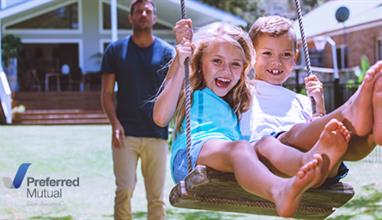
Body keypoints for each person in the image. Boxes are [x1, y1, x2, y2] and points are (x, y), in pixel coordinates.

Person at [153, 19, 350, 217]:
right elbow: (161, 118)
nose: (226, 70)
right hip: (190, 157)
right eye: (217, 61)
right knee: (242, 148)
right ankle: (279, 190)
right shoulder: (193, 89)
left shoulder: (238, 97)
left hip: (227, 156)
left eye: (235, 64)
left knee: (267, 143)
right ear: (199, 61)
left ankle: (308, 163)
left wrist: (318, 108)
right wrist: (180, 60)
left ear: (244, 68)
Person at [240, 15, 382, 184]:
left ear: (295, 57)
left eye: (285, 54)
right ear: (251, 56)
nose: (276, 62)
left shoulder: (302, 100)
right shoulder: (243, 90)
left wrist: (319, 107)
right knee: (293, 134)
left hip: (319, 168)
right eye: (267, 53)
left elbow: (318, 134)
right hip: (269, 160)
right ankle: (351, 109)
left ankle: (372, 134)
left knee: (346, 143)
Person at [100, 0, 175, 219]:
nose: (143, 14)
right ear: (130, 17)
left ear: (154, 18)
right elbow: (106, 93)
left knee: (156, 198)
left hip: (157, 134)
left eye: (148, 11)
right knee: (124, 190)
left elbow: (174, 92)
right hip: (125, 134)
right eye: (138, 11)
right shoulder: (115, 50)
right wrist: (114, 124)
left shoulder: (167, 53)